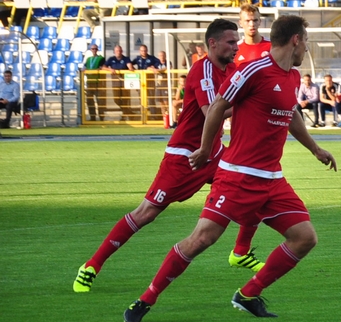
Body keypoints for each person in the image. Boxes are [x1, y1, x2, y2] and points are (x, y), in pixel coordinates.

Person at [122, 15, 336, 322]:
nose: (307, 48)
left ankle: (248, 295)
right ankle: (146, 298)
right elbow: (219, 106)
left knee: (305, 237)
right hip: (237, 176)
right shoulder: (254, 70)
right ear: (296, 40)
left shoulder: (292, 76)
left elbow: (290, 115)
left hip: (272, 180)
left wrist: (315, 149)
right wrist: (207, 149)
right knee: (201, 240)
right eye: (307, 40)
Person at [73, 20, 267, 293]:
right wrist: (247, 104)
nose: (236, 47)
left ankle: (240, 252)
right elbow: (210, 112)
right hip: (185, 156)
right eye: (230, 42)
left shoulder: (233, 69)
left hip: (213, 152)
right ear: (213, 43)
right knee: (146, 213)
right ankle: (92, 264)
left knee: (255, 189)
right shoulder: (203, 70)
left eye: (236, 42)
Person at [105, 45, 132, 118]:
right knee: (116, 99)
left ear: (122, 51)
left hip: (124, 83)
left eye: (119, 50)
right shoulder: (111, 59)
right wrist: (110, 69)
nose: (118, 52)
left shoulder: (126, 59)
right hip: (115, 82)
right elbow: (103, 67)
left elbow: (130, 66)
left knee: (125, 100)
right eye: (117, 51)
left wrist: (130, 68)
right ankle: (129, 113)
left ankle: (124, 116)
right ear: (114, 52)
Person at [83, 43, 105, 121]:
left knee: (100, 101)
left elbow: (102, 68)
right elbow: (84, 68)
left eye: (95, 49)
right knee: (89, 101)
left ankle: (101, 117)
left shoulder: (101, 58)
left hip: (98, 82)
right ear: (90, 50)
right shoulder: (88, 59)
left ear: (97, 49)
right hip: (90, 82)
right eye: (93, 49)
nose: (94, 50)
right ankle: (93, 117)